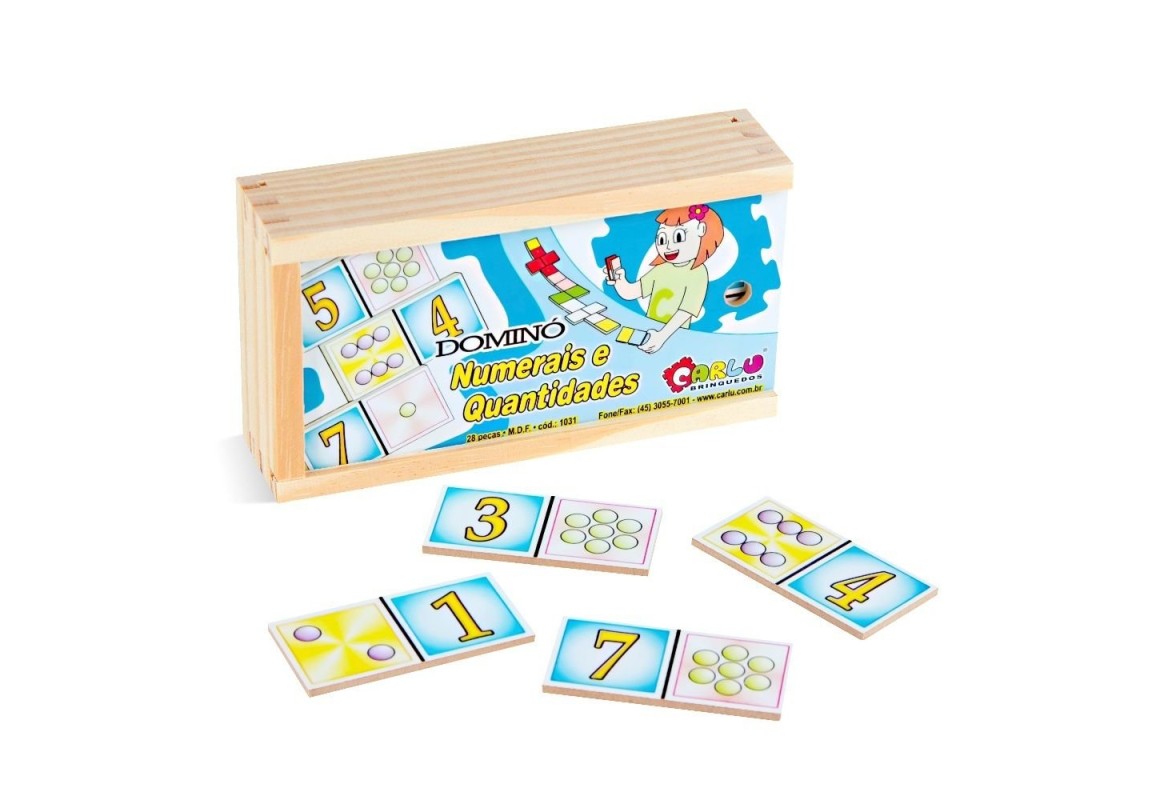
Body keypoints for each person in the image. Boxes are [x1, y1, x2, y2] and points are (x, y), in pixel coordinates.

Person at [608, 203, 722, 353]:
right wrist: (619, 280)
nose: (668, 246)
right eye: (662, 239)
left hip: (674, 335)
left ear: (701, 230)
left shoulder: (697, 273)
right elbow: (631, 293)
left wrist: (662, 336)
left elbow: (685, 312)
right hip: (651, 331)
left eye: (678, 237)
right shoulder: (662, 269)